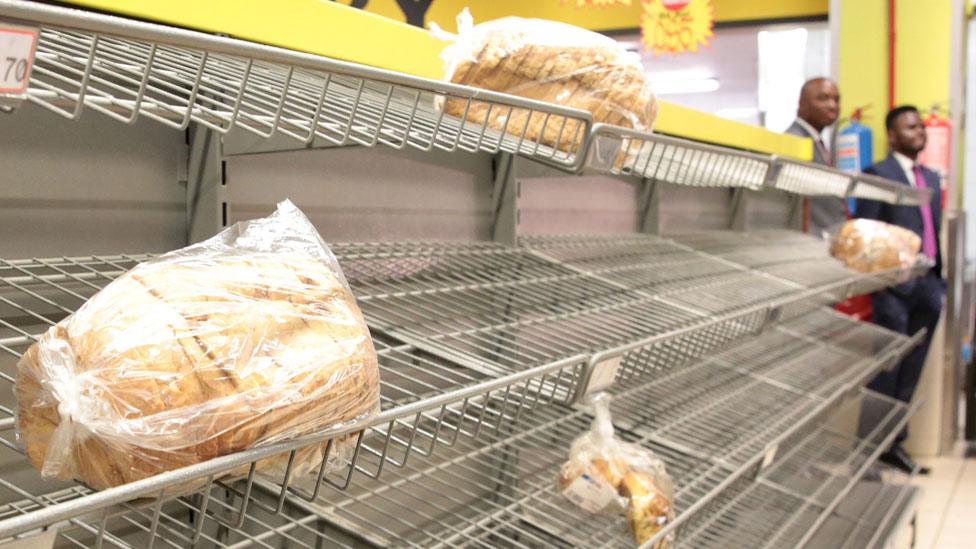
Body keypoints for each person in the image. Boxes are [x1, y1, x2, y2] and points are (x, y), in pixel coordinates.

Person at [857, 105, 944, 475]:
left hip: (929, 286)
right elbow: (868, 234)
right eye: (910, 127)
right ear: (892, 135)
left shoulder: (931, 178)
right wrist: (885, 282)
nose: (919, 132)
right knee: (886, 371)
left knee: (912, 370)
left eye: (921, 126)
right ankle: (868, 451)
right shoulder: (878, 174)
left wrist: (938, 280)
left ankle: (895, 444)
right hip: (893, 289)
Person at [785, 77, 848, 235]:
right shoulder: (794, 141)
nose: (832, 105)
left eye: (836, 99)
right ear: (802, 103)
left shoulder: (816, 142)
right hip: (809, 241)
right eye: (823, 98)